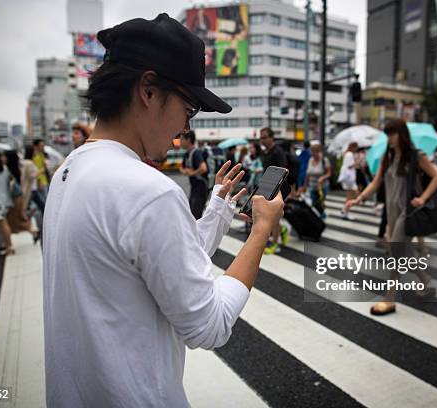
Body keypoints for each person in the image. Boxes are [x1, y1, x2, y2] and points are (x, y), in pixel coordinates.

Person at [42, 15, 284, 408]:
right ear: (149, 90)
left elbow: (166, 270)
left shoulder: (69, 171)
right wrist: (261, 231)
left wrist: (218, 211)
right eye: (188, 110)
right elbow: (209, 324)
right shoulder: (148, 191)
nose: (182, 131)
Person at [344, 119, 437, 316]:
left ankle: (389, 299)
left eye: (393, 134)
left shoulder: (416, 156)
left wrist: (422, 198)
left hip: (408, 211)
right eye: (387, 134)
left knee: (396, 252)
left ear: (402, 134)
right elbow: (375, 183)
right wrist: (359, 199)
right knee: (403, 251)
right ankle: (425, 280)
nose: (390, 138)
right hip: (392, 212)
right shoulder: (387, 157)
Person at [259, 127, 288, 254]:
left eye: (264, 137)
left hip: (278, 189)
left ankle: (276, 244)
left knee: (274, 217)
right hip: (268, 188)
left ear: (271, 137)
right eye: (261, 138)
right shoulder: (265, 153)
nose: (262, 140)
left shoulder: (278, 152)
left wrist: (277, 189)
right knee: (273, 217)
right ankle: (282, 231)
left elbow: (283, 171)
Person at [4, 150, 39, 240]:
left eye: (4, 156)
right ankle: (32, 231)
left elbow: (32, 175)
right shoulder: (16, 167)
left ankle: (9, 245)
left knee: (13, 222)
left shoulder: (11, 169)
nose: (2, 158)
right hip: (18, 197)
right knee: (15, 221)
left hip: (15, 198)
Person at [180, 130, 209, 219]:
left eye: (182, 139)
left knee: (195, 217)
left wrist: (192, 173)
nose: (180, 142)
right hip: (194, 189)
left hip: (201, 188)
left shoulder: (196, 153)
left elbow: (203, 168)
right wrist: (185, 171)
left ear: (188, 140)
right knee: (191, 215)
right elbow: (181, 167)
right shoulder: (186, 154)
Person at [302, 143, 332, 219]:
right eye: (312, 151)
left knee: (319, 203)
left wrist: (323, 178)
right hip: (312, 185)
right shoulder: (310, 160)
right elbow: (307, 174)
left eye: (315, 151)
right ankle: (317, 218)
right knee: (313, 203)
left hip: (322, 186)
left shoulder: (324, 160)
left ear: (319, 151)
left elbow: (329, 173)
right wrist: (304, 186)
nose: (313, 153)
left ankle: (321, 217)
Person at [338, 142, 358, 220]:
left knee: (350, 196)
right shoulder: (349, 154)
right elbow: (349, 166)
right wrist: (356, 163)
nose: (357, 149)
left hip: (349, 178)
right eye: (356, 147)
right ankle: (345, 211)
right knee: (351, 196)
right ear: (353, 147)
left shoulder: (347, 153)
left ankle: (345, 210)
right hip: (350, 178)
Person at [32, 138, 50, 203]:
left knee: (45, 200)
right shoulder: (34, 157)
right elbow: (35, 170)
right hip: (39, 182)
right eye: (41, 145)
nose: (42, 147)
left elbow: (46, 167)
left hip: (45, 180)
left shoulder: (43, 155)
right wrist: (39, 181)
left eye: (43, 145)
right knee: (43, 201)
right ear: (35, 146)